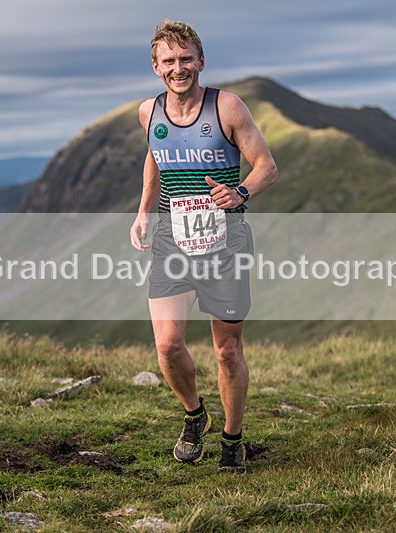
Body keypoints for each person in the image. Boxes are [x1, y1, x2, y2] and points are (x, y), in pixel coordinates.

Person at [130, 20, 277, 474]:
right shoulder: (148, 113)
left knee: (227, 351)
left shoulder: (227, 107)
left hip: (225, 239)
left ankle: (232, 441)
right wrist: (143, 211)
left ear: (201, 61)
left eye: (186, 59)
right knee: (168, 345)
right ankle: (196, 415)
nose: (179, 68)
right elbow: (155, 161)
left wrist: (241, 192)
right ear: (156, 66)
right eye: (169, 61)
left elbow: (266, 166)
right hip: (173, 236)